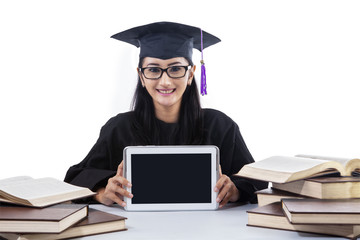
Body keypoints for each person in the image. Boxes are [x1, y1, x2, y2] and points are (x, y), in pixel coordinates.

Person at [64, 21, 268, 208]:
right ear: (141, 76)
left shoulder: (220, 126)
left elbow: (256, 179)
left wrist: (234, 191)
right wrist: (101, 193)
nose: (165, 82)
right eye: (153, 70)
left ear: (190, 74)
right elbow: (76, 178)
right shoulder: (119, 128)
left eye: (176, 69)